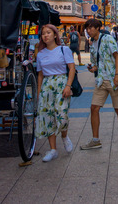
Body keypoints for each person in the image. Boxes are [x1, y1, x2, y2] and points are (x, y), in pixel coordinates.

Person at [80, 18, 118, 150]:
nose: (88, 31)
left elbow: (117, 56)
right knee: (94, 108)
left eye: (91, 28)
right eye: (87, 29)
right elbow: (97, 65)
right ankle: (95, 139)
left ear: (97, 28)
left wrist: (117, 75)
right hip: (101, 80)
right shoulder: (92, 44)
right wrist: (93, 69)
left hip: (113, 80)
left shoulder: (107, 39)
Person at [36, 24, 75, 162]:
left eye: (48, 32)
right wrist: (39, 92)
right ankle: (53, 149)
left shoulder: (64, 50)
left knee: (62, 114)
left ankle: (64, 136)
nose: (45, 35)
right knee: (48, 117)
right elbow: (40, 75)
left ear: (54, 35)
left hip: (61, 83)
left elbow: (71, 68)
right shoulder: (40, 54)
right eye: (43, 33)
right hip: (47, 85)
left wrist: (68, 85)